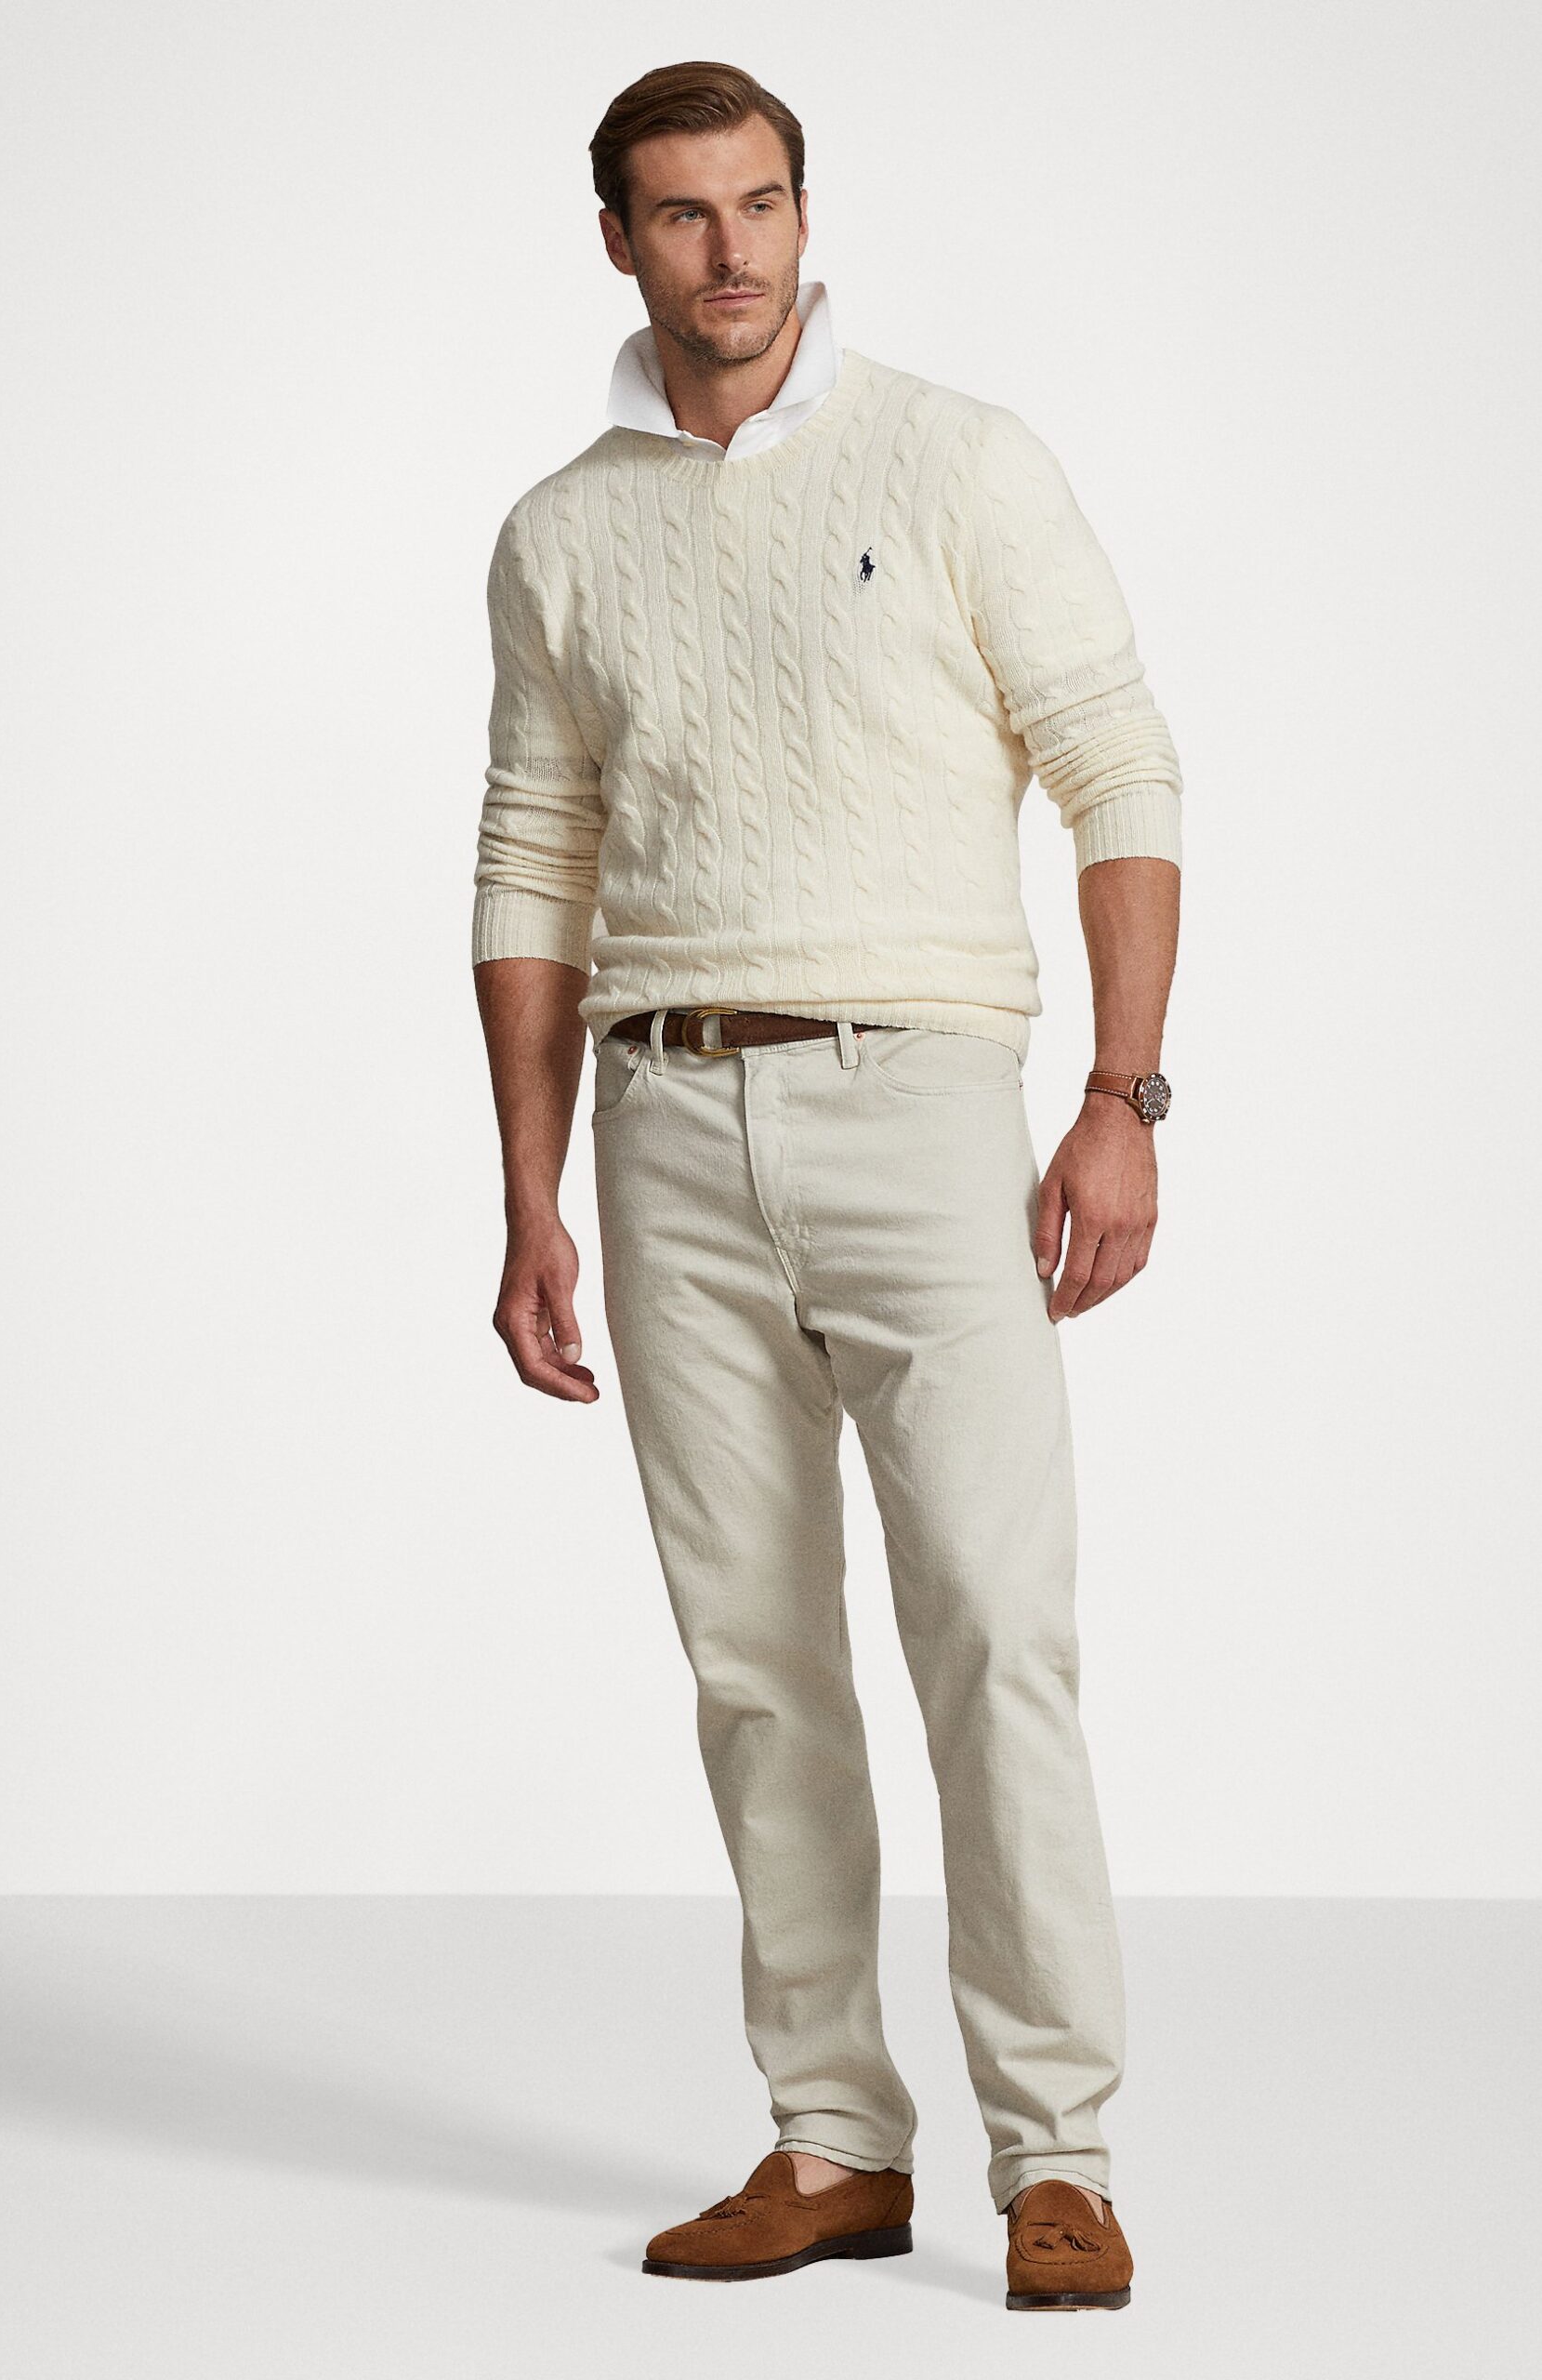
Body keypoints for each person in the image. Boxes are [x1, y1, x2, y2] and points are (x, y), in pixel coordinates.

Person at [469, 60, 1180, 2314]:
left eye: (760, 203)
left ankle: (1056, 2156)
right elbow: (531, 862)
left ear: (802, 209)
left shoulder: (956, 459)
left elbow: (1116, 765)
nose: (731, 252)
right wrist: (528, 1192)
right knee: (755, 1661)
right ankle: (831, 2136)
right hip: (662, 1118)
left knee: (991, 1626)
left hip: (922, 1101)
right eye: (683, 214)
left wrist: (1121, 1094)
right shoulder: (559, 531)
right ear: (617, 238)